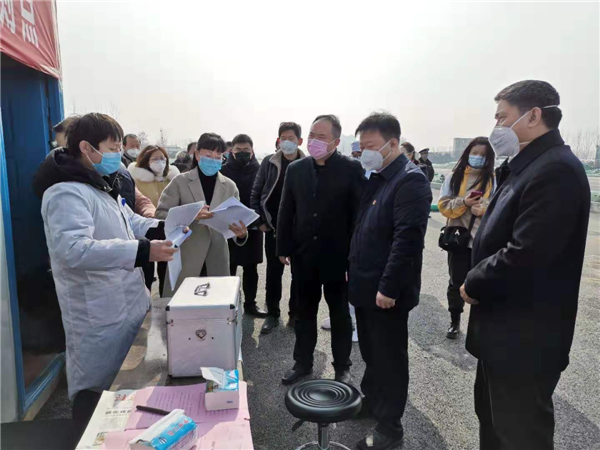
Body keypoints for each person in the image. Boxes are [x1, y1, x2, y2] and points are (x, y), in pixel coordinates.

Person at [460, 80, 590, 450]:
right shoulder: (524, 166)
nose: (496, 127)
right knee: (493, 424)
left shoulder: (556, 171)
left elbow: (526, 254)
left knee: (519, 435)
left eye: (502, 117)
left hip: (524, 339)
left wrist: (474, 282)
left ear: (533, 116)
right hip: (502, 333)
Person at [32, 113, 180, 427]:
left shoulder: (99, 187)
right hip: (97, 315)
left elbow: (129, 223)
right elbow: (72, 250)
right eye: (112, 148)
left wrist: (168, 227)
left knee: (125, 393)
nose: (117, 155)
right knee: (95, 397)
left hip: (125, 306)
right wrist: (143, 251)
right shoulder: (65, 193)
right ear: (86, 148)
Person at [349, 113, 431, 450]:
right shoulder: (380, 177)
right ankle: (372, 401)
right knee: (372, 353)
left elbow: (407, 240)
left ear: (393, 143)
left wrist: (388, 287)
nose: (364, 153)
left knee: (390, 360)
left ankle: (390, 428)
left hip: (385, 292)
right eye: (361, 147)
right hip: (366, 284)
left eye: (370, 146)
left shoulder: (410, 181)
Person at [277, 114, 362, 385]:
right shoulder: (296, 169)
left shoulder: (352, 169)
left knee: (340, 315)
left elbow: (358, 215)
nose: (314, 141)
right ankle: (302, 363)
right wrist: (283, 247)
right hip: (304, 255)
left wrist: (355, 256)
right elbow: (286, 210)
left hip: (339, 257)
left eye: (321, 137)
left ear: (336, 141)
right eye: (312, 135)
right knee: (304, 313)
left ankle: (342, 367)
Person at [156, 132, 248, 296]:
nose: (213, 160)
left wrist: (241, 234)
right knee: (182, 303)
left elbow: (235, 220)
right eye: (209, 155)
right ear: (197, 155)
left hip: (217, 257)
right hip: (187, 255)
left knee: (216, 303)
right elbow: (161, 215)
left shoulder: (230, 186)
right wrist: (189, 215)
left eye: (218, 157)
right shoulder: (180, 182)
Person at [250, 122, 306, 334]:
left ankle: (295, 314)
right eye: (283, 138)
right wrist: (260, 221)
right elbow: (256, 193)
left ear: (300, 141)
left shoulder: (308, 163)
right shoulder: (269, 162)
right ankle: (272, 314)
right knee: (273, 274)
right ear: (278, 140)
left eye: (291, 138)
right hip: (273, 228)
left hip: (300, 230)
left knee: (298, 275)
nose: (287, 142)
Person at [438, 137, 495, 339]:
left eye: (483, 155)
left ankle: (480, 325)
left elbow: (499, 208)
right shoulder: (454, 177)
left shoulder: (493, 179)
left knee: (482, 283)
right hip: (458, 239)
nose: (478, 157)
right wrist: (464, 203)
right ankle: (455, 321)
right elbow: (443, 206)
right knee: (456, 282)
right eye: (475, 153)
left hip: (482, 240)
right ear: (467, 153)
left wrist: (484, 209)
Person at [220, 134, 267, 318]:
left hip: (252, 226)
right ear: (231, 151)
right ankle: (228, 303)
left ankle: (250, 304)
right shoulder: (223, 170)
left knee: (251, 268)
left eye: (246, 150)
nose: (242, 153)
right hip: (229, 226)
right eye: (238, 150)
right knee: (228, 266)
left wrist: (260, 220)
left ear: (252, 151)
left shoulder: (260, 170)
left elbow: (264, 196)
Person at [128, 145, 181, 294]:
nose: (160, 162)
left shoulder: (171, 179)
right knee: (146, 271)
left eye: (163, 159)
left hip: (166, 228)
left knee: (167, 268)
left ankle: (166, 296)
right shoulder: (135, 179)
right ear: (146, 160)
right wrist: (150, 216)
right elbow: (140, 203)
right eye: (155, 159)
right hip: (143, 230)